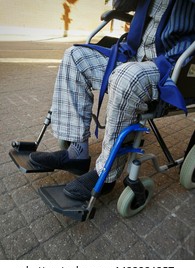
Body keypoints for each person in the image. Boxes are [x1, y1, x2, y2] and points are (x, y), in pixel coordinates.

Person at [29, 0, 195, 201]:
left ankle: (106, 175)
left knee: (126, 77)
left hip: (170, 63)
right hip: (132, 53)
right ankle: (76, 154)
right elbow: (121, 6)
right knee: (75, 56)